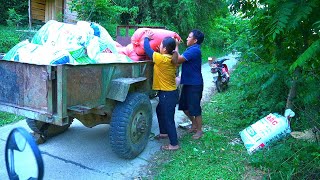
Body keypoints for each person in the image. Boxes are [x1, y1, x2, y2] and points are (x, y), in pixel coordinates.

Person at [143, 30, 180, 151]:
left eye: (162, 46)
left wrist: (146, 38)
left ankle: (174, 144)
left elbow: (148, 50)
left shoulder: (161, 59)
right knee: (159, 110)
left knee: (169, 118)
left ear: (164, 49)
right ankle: (164, 133)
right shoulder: (171, 58)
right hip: (170, 93)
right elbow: (173, 52)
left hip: (168, 94)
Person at [172, 29, 204, 140]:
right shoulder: (191, 49)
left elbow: (177, 60)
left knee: (195, 109)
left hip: (195, 84)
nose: (187, 38)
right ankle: (194, 124)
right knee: (184, 107)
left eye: (189, 37)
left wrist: (176, 46)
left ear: (195, 40)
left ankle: (199, 130)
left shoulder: (194, 50)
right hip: (188, 83)